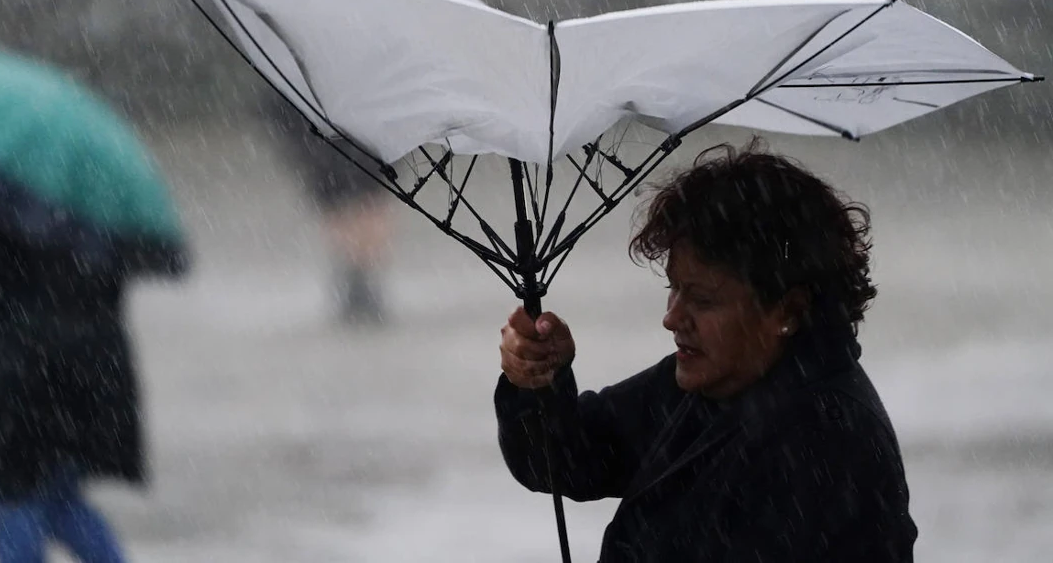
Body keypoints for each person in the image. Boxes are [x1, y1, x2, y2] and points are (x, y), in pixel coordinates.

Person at [495, 140, 917, 562]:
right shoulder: (714, 382)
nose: (672, 318)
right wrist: (537, 380)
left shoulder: (827, 440)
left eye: (702, 299)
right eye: (672, 288)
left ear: (787, 310)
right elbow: (562, 460)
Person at [0, 211, 143, 563]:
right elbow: (113, 285)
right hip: (88, 368)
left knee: (13, 495)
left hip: (16, 371)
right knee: (60, 498)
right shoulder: (94, 206)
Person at [262, 96, 395, 325]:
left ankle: (358, 274)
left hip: (332, 118)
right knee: (352, 195)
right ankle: (357, 274)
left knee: (355, 195)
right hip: (341, 117)